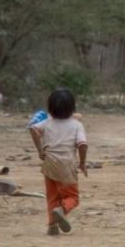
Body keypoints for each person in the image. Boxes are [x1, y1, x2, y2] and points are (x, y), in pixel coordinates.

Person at [29, 88, 88, 235]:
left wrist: (40, 150)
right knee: (73, 197)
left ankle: (52, 225)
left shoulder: (48, 122)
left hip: (49, 163)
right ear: (72, 108)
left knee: (52, 196)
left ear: (50, 108)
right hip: (67, 164)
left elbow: (33, 130)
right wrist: (82, 163)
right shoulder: (76, 125)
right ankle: (62, 210)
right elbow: (82, 144)